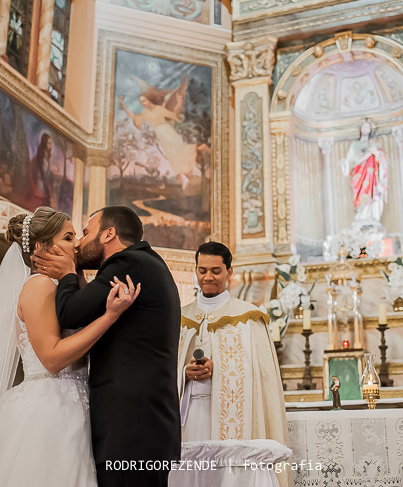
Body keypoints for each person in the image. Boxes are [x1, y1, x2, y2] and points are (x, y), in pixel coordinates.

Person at [0, 207, 139, 486]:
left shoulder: (64, 287)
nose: (79, 244)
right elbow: (52, 358)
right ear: (43, 247)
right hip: (49, 409)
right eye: (69, 238)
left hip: (76, 403)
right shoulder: (39, 286)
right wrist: (110, 316)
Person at [33, 205, 181, 487]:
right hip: (143, 425)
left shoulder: (127, 263)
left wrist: (66, 273)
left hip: (131, 427)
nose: (78, 243)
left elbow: (72, 313)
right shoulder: (146, 263)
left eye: (85, 233)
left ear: (108, 234)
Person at [177, 242, 286, 445]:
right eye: (202, 270)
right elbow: (163, 370)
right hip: (188, 416)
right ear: (195, 271)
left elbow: (261, 379)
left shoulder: (249, 318)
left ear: (229, 272)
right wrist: (184, 374)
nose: (208, 277)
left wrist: (217, 369)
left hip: (233, 418)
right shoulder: (179, 318)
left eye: (215, 271)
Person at [119, 78, 197, 188]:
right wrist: (123, 105)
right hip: (161, 134)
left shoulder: (160, 109)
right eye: (141, 102)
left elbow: (174, 115)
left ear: (149, 99)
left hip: (168, 132)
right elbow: (135, 117)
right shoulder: (145, 113)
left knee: (176, 153)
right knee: (171, 156)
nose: (143, 104)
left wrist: (179, 103)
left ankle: (187, 174)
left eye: (144, 101)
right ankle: (184, 177)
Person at [341, 120, 388, 226]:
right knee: (360, 195)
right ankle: (361, 215)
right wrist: (345, 165)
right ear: (360, 129)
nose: (366, 129)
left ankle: (371, 216)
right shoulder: (354, 145)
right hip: (359, 174)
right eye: (364, 127)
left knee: (372, 194)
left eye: (368, 127)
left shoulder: (373, 144)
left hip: (371, 175)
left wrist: (375, 154)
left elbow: (381, 160)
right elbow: (349, 162)